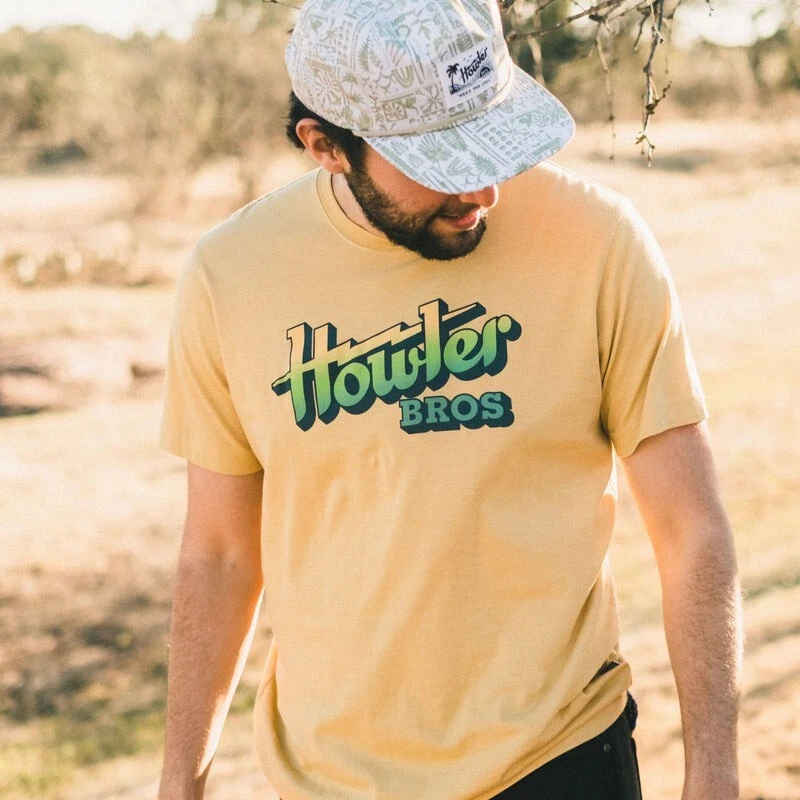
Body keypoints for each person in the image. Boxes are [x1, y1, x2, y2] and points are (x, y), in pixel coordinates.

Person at [157, 0, 742, 798]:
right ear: (326, 146)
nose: (485, 189)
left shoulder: (600, 242)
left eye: (488, 137)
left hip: (558, 756)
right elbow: (220, 555)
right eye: (438, 160)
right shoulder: (230, 278)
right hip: (330, 780)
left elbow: (691, 529)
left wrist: (715, 773)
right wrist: (180, 783)